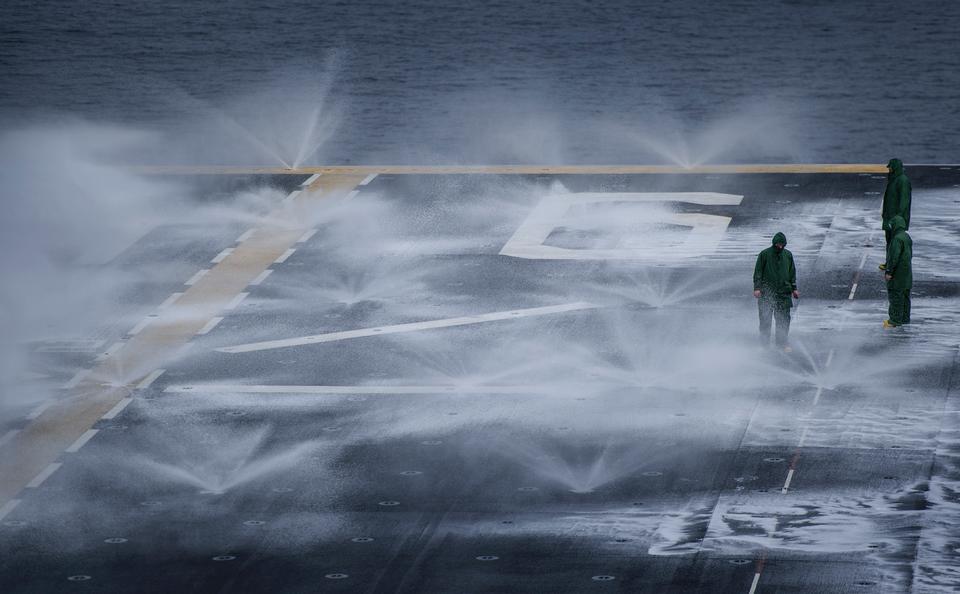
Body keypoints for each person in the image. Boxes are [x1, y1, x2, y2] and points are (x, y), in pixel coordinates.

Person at [753, 232, 799, 351]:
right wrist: (757, 288)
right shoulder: (764, 254)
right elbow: (758, 272)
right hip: (766, 293)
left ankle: (782, 343)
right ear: (774, 243)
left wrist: (794, 289)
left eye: (782, 245)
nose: (780, 247)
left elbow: (792, 272)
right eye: (778, 244)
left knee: (783, 319)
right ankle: (764, 345)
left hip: (784, 293)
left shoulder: (788, 255)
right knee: (765, 319)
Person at [879, 159, 911, 270]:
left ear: (895, 168)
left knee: (895, 243)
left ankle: (893, 265)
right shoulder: (894, 179)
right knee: (889, 241)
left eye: (891, 167)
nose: (889, 169)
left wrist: (898, 218)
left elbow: (904, 201)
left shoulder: (902, 181)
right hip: (889, 217)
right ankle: (889, 263)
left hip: (896, 219)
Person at [883, 215, 912, 328]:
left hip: (898, 275)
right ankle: (905, 318)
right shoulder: (906, 237)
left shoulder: (896, 239)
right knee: (905, 297)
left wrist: (889, 271)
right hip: (907, 274)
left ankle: (894, 320)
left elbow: (893, 257)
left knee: (896, 296)